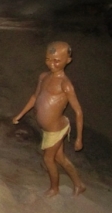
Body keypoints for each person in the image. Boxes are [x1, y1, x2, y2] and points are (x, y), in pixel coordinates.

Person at [12, 41, 86, 197]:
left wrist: (79, 138)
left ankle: (54, 188)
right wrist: (20, 115)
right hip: (47, 129)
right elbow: (34, 97)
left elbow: (78, 111)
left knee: (48, 159)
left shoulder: (65, 84)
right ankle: (79, 185)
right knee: (60, 158)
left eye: (57, 61)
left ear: (68, 60)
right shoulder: (43, 76)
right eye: (48, 59)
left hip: (56, 129)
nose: (51, 64)